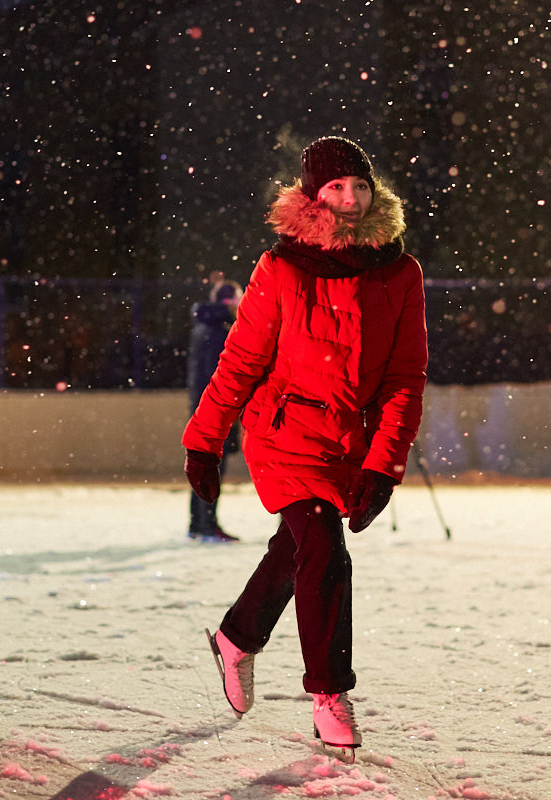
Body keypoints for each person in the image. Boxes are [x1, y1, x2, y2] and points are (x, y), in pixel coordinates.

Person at [182, 136, 428, 754]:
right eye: (336, 188)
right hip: (283, 431)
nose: (350, 199)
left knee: (295, 549)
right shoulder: (282, 267)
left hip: (349, 442)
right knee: (321, 544)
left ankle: (236, 637)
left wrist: (384, 465)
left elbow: (404, 380)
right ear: (313, 195)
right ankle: (329, 695)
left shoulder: (399, 273)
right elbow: (241, 362)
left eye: (360, 186)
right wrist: (204, 441)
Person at [186, 278, 243, 542]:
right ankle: (207, 524)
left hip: (202, 406)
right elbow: (224, 375)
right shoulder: (222, 331)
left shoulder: (202, 327)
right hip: (217, 408)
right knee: (213, 468)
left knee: (201, 465)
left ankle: (198, 524)